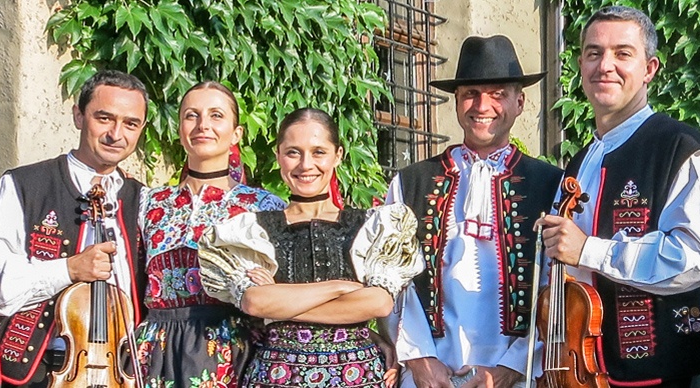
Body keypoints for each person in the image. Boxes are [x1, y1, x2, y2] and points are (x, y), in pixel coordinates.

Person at [532, 5, 700, 387]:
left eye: (622, 53)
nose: (605, 65)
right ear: (581, 68)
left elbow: (693, 259)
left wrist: (589, 250)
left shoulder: (678, 147)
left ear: (649, 69)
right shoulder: (578, 164)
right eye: (593, 53)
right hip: (581, 375)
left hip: (660, 379)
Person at [194, 108, 423, 388]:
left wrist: (277, 303)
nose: (305, 165)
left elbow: (378, 302)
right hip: (276, 377)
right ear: (278, 155)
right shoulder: (251, 231)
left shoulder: (370, 227)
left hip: (357, 377)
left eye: (318, 152)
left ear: (337, 155)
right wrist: (342, 289)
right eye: (293, 152)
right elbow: (254, 302)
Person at [384, 35, 561, 388]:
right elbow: (392, 278)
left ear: (519, 102)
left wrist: (511, 368)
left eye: (498, 94)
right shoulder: (411, 182)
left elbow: (555, 287)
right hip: (428, 377)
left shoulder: (550, 184)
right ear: (456, 101)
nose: (483, 105)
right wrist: (420, 360)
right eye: (471, 93)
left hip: (520, 376)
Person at [0, 70, 151, 387]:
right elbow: (1, 290)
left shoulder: (142, 198)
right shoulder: (23, 185)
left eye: (130, 124)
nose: (116, 134)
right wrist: (69, 269)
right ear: (78, 116)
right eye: (104, 118)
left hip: (120, 370)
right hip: (39, 369)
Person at [132, 81, 287, 388]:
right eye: (192, 115)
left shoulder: (264, 206)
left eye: (216, 115)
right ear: (179, 129)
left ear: (236, 133)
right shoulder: (147, 201)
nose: (203, 125)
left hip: (231, 352)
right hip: (155, 350)